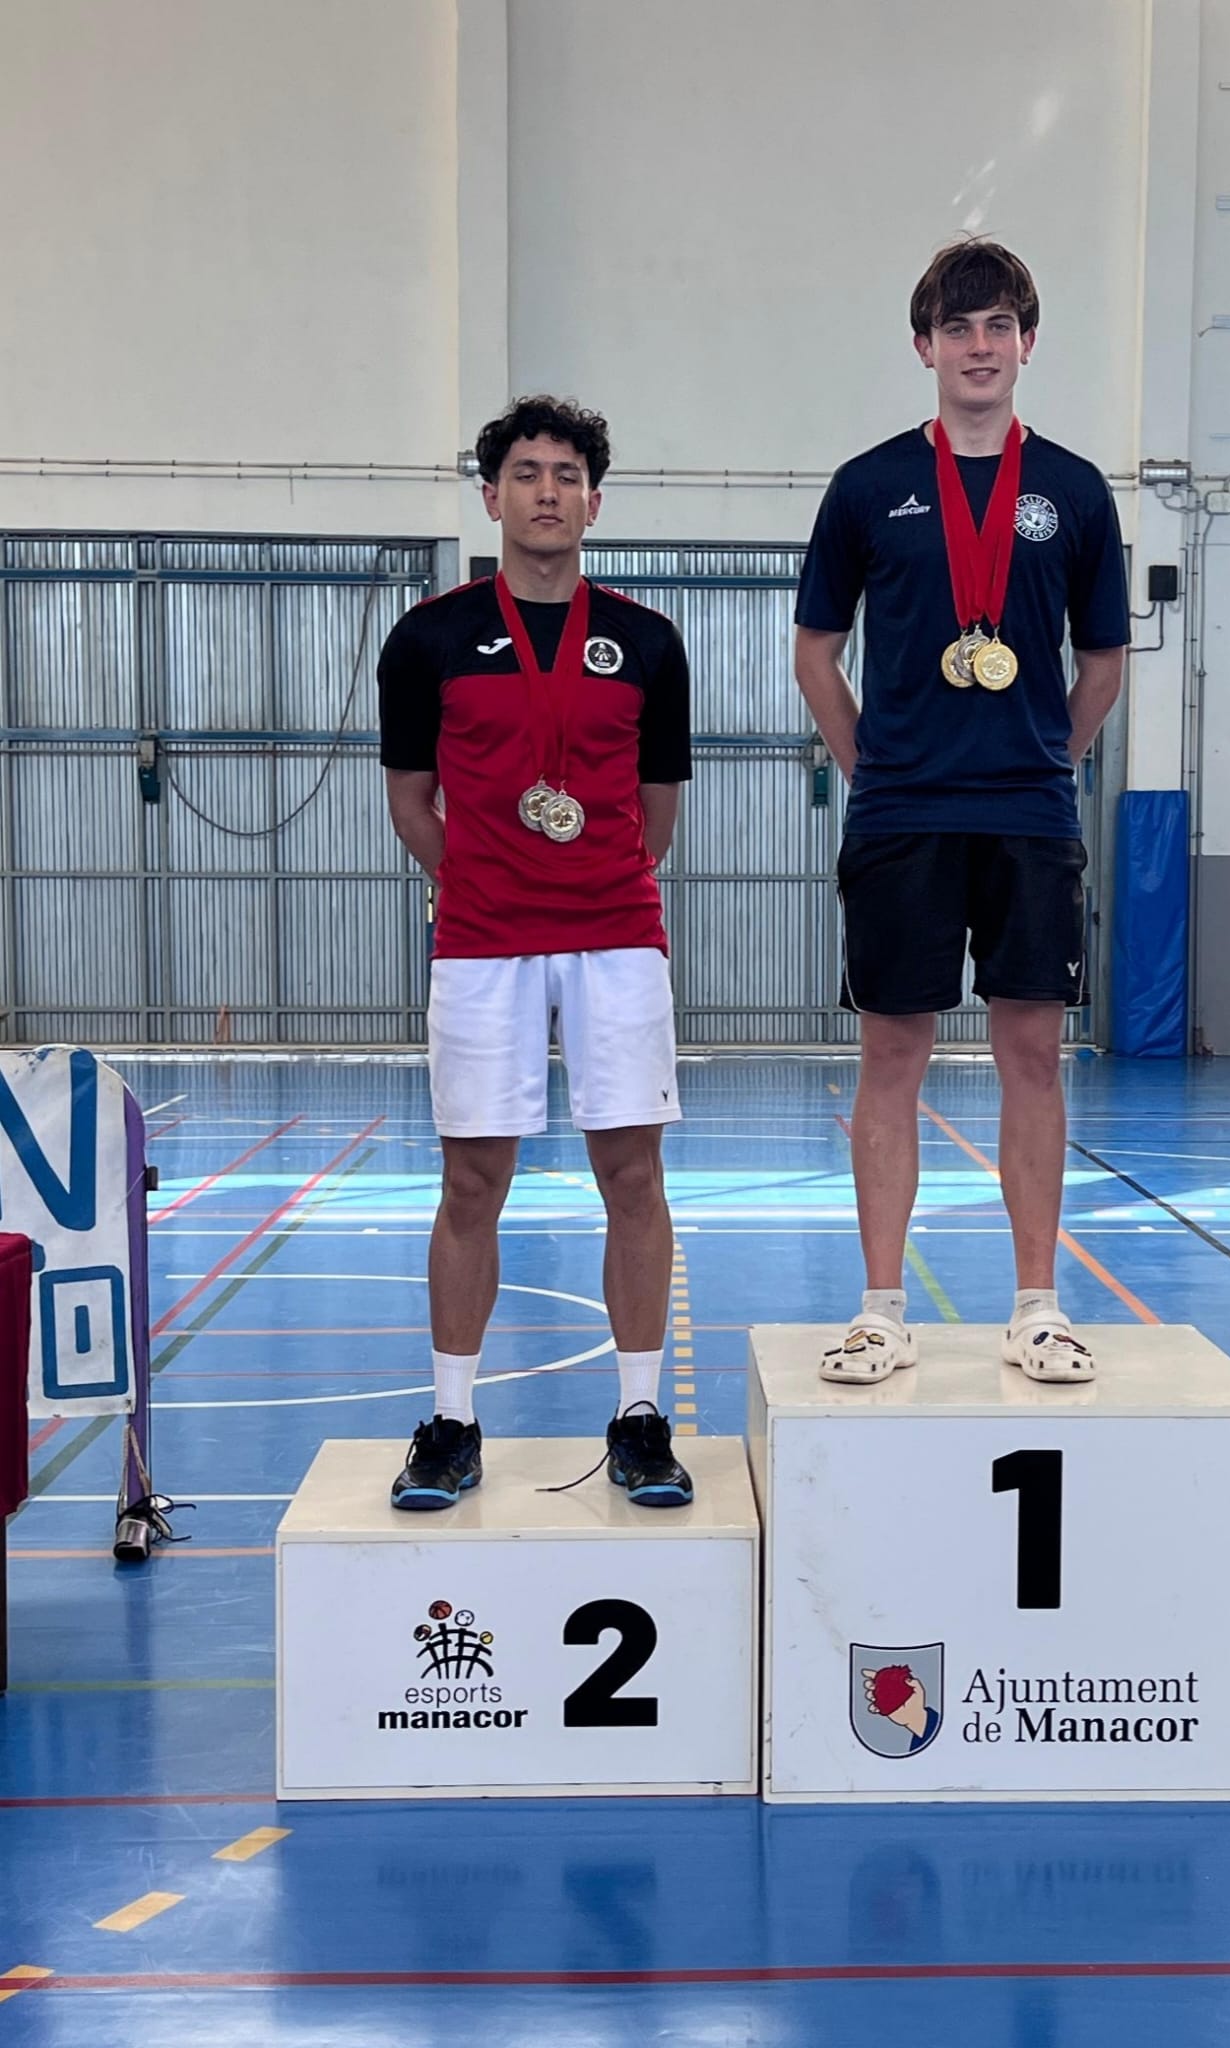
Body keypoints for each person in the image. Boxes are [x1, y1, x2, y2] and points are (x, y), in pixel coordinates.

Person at [794, 239, 1129, 1386]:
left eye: (998, 327)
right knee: (892, 1051)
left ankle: (1037, 1306)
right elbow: (816, 650)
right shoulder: (867, 486)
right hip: (904, 813)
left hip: (1028, 815)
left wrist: (1044, 761)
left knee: (1032, 1052)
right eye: (957, 328)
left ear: (1028, 343)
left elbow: (1103, 662)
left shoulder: (1074, 491)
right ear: (923, 346)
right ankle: (881, 1308)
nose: (978, 347)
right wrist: (871, 768)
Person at [377, 394, 694, 1507]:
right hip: (482, 944)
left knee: (633, 1174)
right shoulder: (428, 637)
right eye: (526, 472)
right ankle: (452, 1421)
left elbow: (658, 812)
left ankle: (640, 1416)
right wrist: (480, 881)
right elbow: (411, 800)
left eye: (567, 474)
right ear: (491, 496)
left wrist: (589, 876)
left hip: (616, 938)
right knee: (472, 1179)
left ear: (594, 502)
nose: (547, 491)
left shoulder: (648, 642)